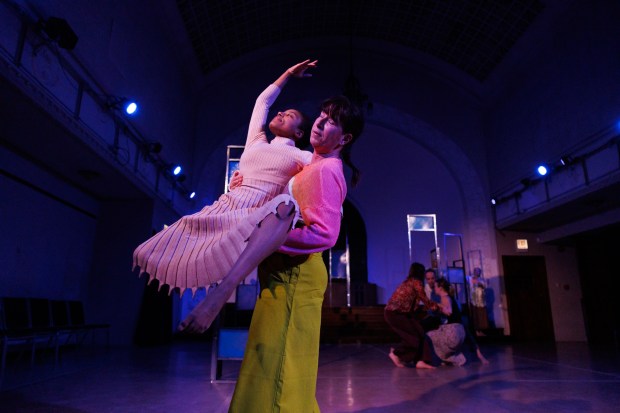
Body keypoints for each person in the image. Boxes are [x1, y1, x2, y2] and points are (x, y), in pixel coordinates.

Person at [183, 94, 363, 412]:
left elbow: (325, 233)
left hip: (296, 275)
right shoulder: (310, 166)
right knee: (269, 361)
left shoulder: (326, 171)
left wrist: (269, 240)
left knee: (279, 368)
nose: (320, 121)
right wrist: (243, 183)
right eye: (321, 114)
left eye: (331, 120)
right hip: (283, 274)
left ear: (344, 138)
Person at [132, 60, 317, 295]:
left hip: (255, 211)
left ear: (298, 133)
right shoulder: (256, 140)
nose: (281, 112)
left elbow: (314, 182)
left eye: (289, 115)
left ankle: (224, 289)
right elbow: (263, 102)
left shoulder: (300, 155)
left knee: (225, 254)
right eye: (283, 110)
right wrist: (288, 73)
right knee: (184, 229)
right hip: (228, 203)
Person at [384, 262, 441, 369]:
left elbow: (414, 305)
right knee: (413, 337)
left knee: (420, 331)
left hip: (399, 313)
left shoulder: (407, 282)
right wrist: (439, 307)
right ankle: (396, 354)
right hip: (395, 314)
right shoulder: (416, 283)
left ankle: (421, 361)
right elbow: (426, 301)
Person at [428, 277, 489, 365]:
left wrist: (437, 305)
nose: (434, 288)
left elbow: (448, 311)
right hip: (460, 333)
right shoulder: (452, 298)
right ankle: (449, 358)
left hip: (453, 333)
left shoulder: (444, 298)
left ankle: (454, 358)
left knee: (429, 336)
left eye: (435, 286)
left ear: (440, 288)